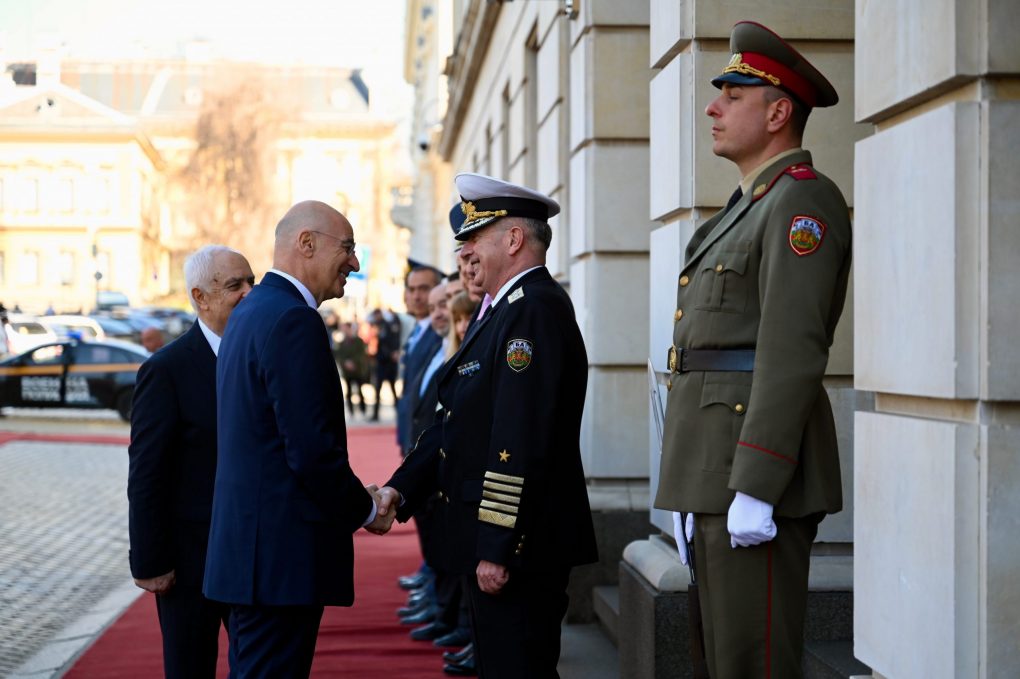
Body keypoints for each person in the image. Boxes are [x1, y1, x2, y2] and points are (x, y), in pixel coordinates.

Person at [654, 21, 852, 679]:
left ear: (777, 111)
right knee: (719, 660)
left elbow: (792, 349)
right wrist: (687, 488)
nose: (713, 106)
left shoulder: (802, 203)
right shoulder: (740, 212)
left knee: (754, 662)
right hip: (711, 471)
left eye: (732, 93)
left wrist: (757, 486)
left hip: (750, 472)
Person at [376, 173, 599, 678]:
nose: (465, 252)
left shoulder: (532, 311)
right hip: (497, 540)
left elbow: (518, 440)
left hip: (518, 546)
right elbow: (456, 423)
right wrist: (399, 490)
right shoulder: (499, 312)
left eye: (475, 237)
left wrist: (498, 547)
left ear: (514, 239)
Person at [204, 201, 394, 679]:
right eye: (348, 248)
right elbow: (310, 452)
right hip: (278, 567)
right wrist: (367, 509)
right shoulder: (293, 320)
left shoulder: (252, 313)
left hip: (252, 560)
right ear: (306, 243)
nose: (354, 262)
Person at [127, 244, 255, 678]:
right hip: (189, 562)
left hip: (254, 554)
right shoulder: (167, 369)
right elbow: (147, 473)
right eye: (234, 285)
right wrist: (151, 560)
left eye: (251, 281)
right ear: (200, 297)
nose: (248, 293)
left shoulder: (263, 355)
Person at [397, 265, 444, 455]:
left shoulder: (442, 334)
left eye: (424, 289)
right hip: (411, 434)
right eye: (412, 289)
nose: (416, 296)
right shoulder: (415, 331)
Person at [370, 308, 402, 421]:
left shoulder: (386, 325)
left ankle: (399, 412)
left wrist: (392, 353)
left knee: (392, 389)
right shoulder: (378, 325)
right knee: (378, 389)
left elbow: (391, 341)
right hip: (382, 363)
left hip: (387, 363)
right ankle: (375, 414)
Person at [334, 321, 370, 416]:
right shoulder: (342, 343)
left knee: (359, 390)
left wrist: (354, 363)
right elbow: (339, 355)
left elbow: (361, 354)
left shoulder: (358, 341)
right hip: (347, 371)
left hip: (357, 370)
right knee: (349, 391)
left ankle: (363, 409)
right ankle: (351, 411)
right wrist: (345, 363)